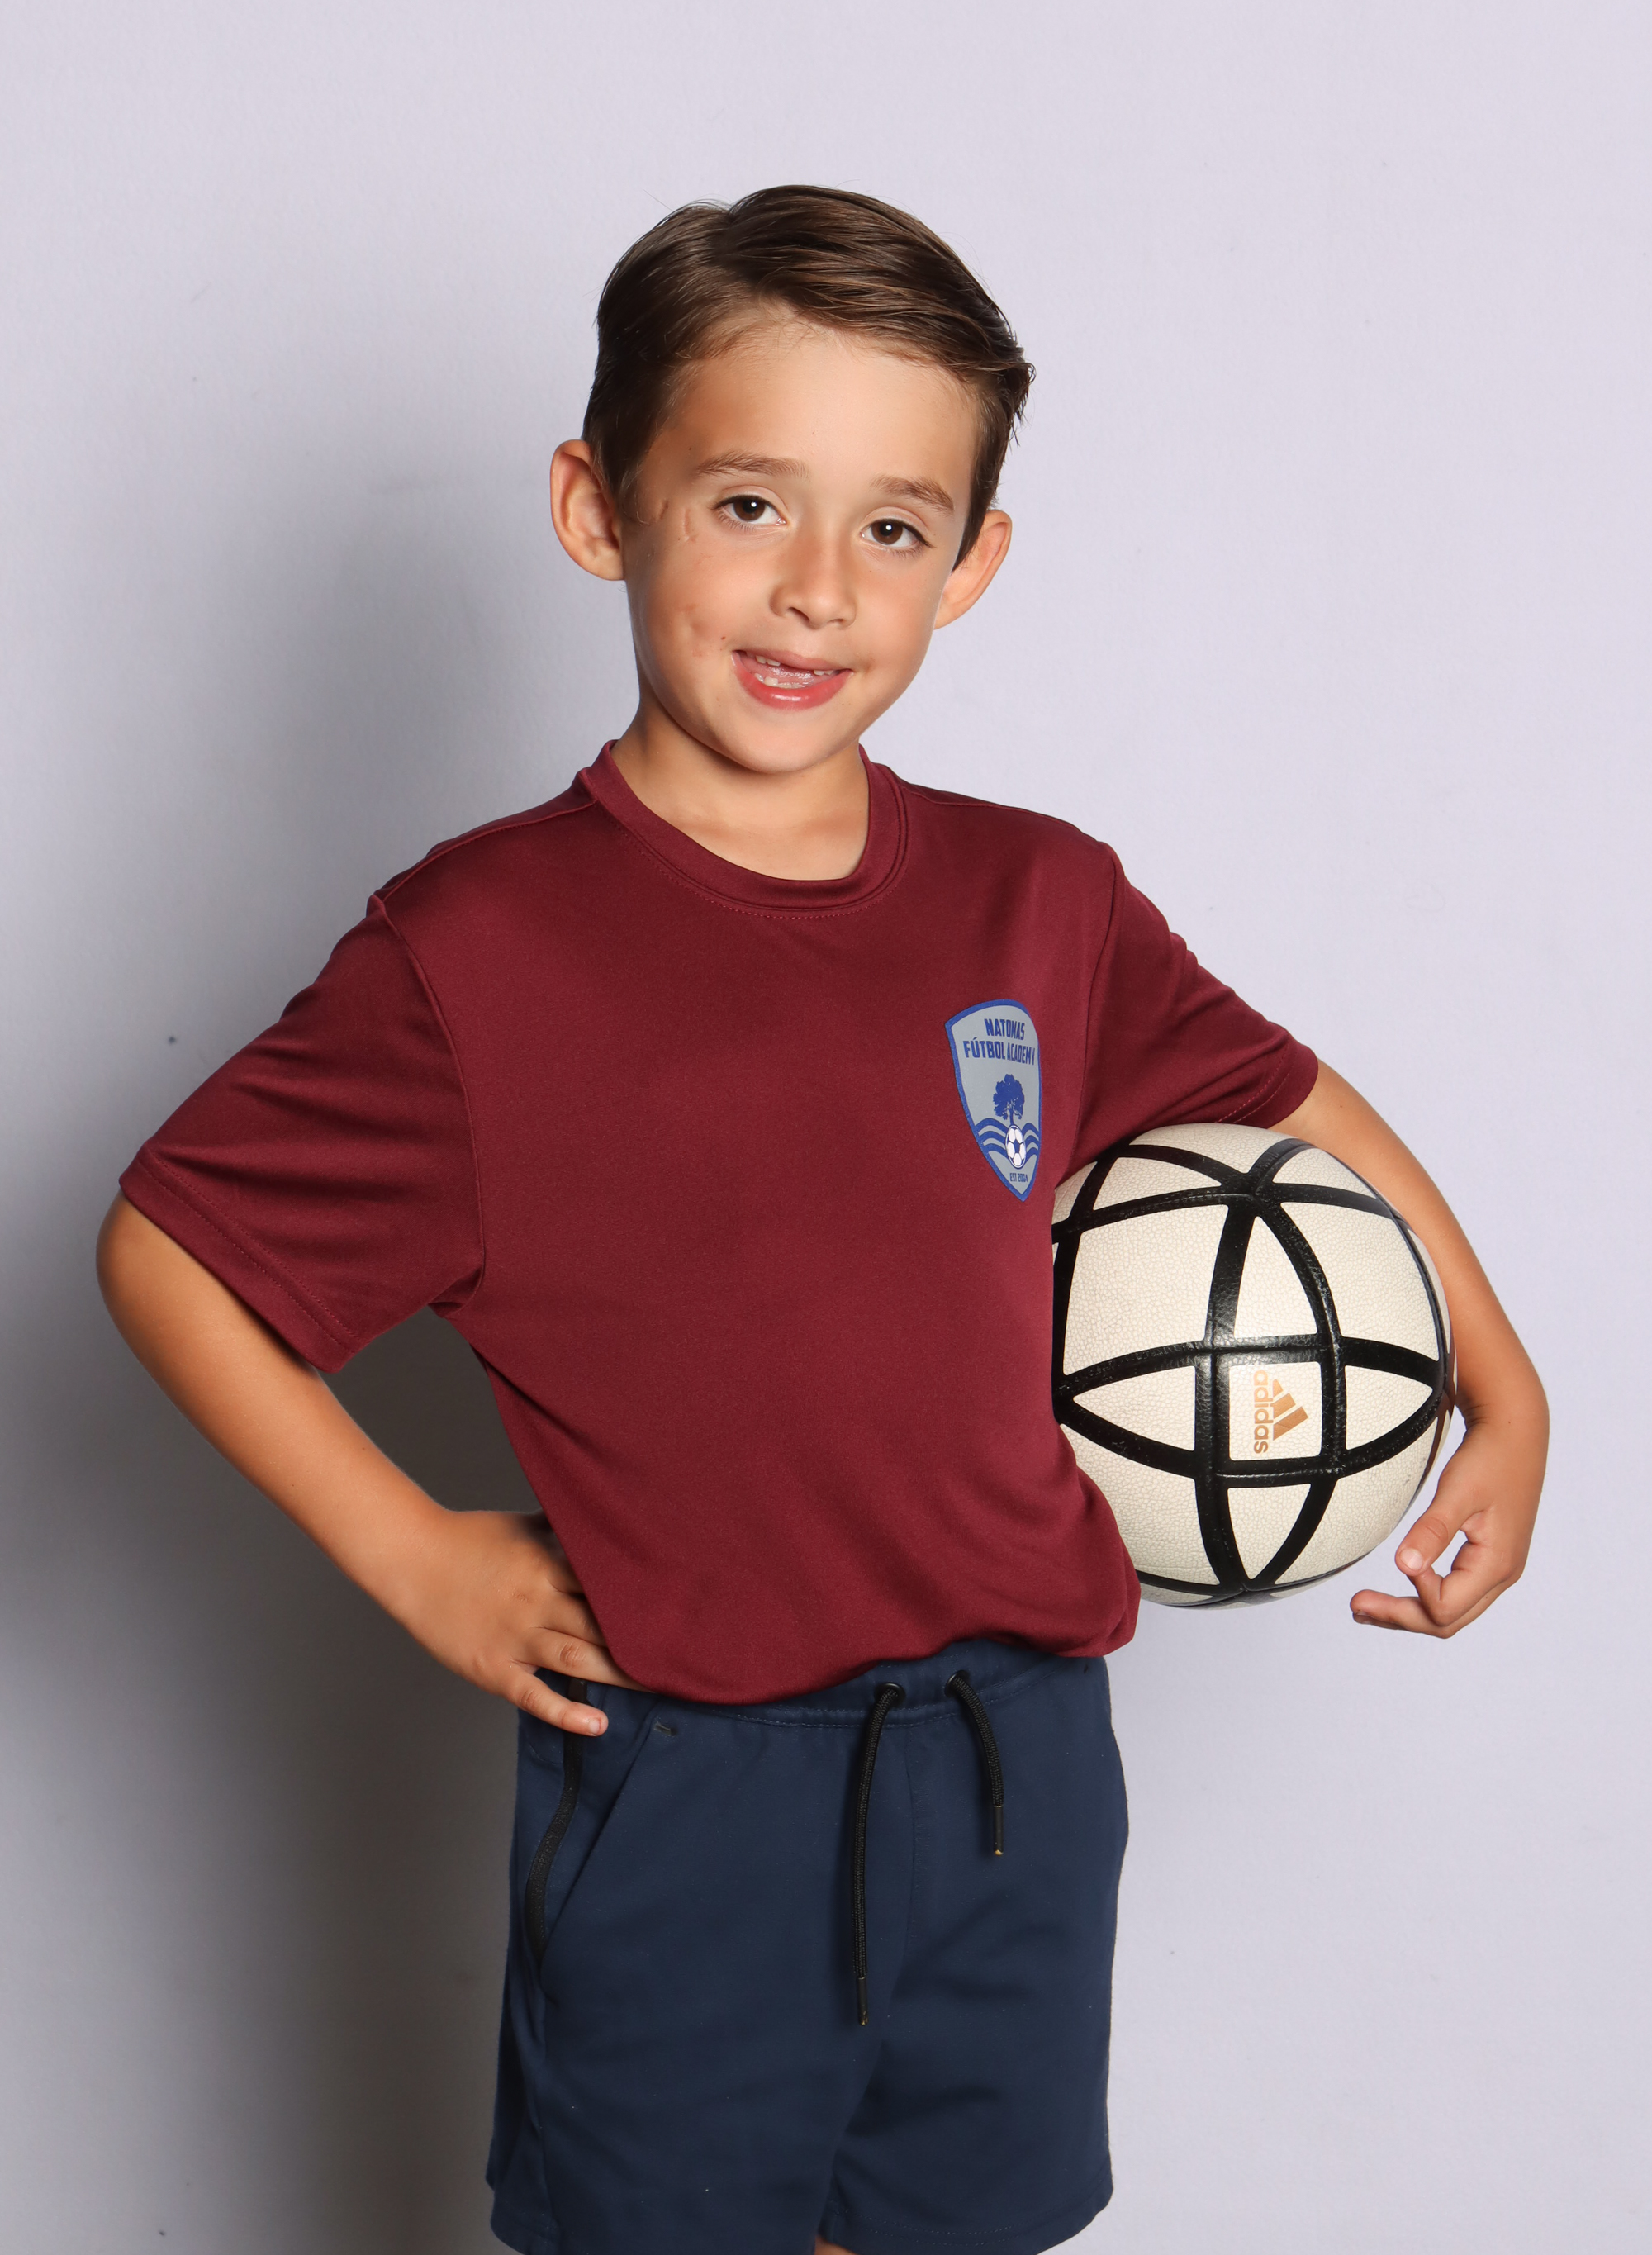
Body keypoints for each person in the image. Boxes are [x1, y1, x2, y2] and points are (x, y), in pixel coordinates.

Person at [97, 187, 1548, 2255]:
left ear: (974, 563)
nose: (814, 589)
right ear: (597, 507)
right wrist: (420, 1557)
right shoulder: (478, 952)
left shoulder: (1040, 900)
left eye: (890, 525)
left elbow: (1282, 1097)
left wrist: (1503, 1387)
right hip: (698, 1785)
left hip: (1020, 1760)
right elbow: (171, 1248)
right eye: (748, 503)